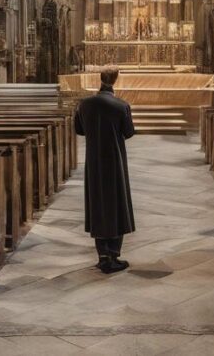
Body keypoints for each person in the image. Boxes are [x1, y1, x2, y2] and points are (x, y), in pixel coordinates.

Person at [74, 66, 136, 274]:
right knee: (116, 203)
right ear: (116, 80)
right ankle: (113, 255)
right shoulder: (121, 105)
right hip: (115, 160)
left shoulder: (85, 104)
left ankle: (102, 255)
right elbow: (129, 132)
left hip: (94, 160)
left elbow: (79, 129)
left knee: (97, 202)